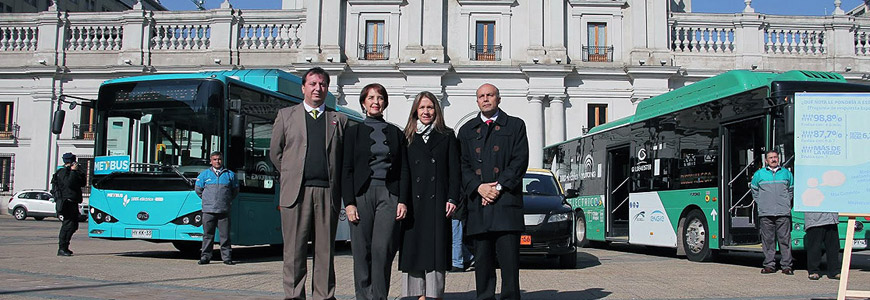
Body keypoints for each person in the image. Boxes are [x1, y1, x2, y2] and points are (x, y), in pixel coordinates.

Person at [269, 67, 349, 300]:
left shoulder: (338, 119)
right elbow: (276, 153)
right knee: (294, 250)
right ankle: (294, 295)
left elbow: (343, 157)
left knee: (324, 251)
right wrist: (292, 173)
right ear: (303, 87)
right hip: (296, 193)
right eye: (313, 84)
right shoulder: (286, 116)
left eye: (322, 84)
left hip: (327, 193)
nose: (317, 88)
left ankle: (324, 296)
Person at [458, 83, 529, 300]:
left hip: (506, 204)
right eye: (481, 96)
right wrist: (478, 187)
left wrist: (497, 187)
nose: (486, 99)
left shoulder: (515, 126)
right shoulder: (466, 130)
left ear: (498, 98)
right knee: (482, 265)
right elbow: (462, 165)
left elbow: (520, 161)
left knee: (509, 265)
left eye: (490, 95)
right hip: (478, 206)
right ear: (477, 100)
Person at [342, 83, 409, 300]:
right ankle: (363, 296)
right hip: (362, 195)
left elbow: (404, 170)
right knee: (361, 251)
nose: (375, 102)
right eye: (370, 98)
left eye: (379, 98)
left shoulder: (396, 133)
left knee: (383, 250)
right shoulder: (353, 133)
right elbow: (347, 170)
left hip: (389, 195)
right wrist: (349, 203)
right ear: (363, 102)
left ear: (385, 103)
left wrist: (403, 200)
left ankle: (379, 296)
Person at [398, 91, 461, 300]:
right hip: (413, 203)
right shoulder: (407, 136)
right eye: (422, 107)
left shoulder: (447, 135)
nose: (426, 112)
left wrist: (452, 198)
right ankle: (416, 295)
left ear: (437, 110)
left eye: (430, 107)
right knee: (414, 247)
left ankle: (434, 295)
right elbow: (404, 172)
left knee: (435, 249)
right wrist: (402, 201)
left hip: (438, 201)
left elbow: (455, 171)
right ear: (416, 110)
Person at [750, 150, 795, 275]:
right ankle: (769, 265)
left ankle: (786, 266)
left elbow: (791, 190)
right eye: (771, 158)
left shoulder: (786, 173)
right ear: (766, 160)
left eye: (775, 157)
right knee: (768, 240)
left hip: (783, 213)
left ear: (779, 158)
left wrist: (785, 202)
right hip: (766, 213)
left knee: (785, 240)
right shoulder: (759, 174)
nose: (773, 159)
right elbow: (754, 191)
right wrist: (763, 203)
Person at [194, 151, 239, 265]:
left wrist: (226, 201)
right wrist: (208, 200)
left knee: (225, 236)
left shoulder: (230, 175)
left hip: (224, 210)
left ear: (222, 160)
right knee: (208, 235)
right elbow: (198, 190)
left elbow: (235, 191)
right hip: (208, 210)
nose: (217, 161)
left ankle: (227, 258)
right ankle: (205, 257)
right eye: (214, 159)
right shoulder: (204, 175)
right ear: (211, 161)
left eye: (219, 159)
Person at [52, 152, 86, 257]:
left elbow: (82, 183)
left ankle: (65, 247)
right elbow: (70, 184)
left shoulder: (72, 172)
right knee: (68, 225)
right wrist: (73, 171)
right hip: (66, 202)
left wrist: (79, 172)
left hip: (73, 201)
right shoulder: (62, 172)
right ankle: (62, 248)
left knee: (73, 225)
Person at [804, 212, 841, 280]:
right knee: (815, 248)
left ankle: (834, 271)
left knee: (834, 247)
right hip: (815, 221)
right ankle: (813, 271)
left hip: (832, 220)